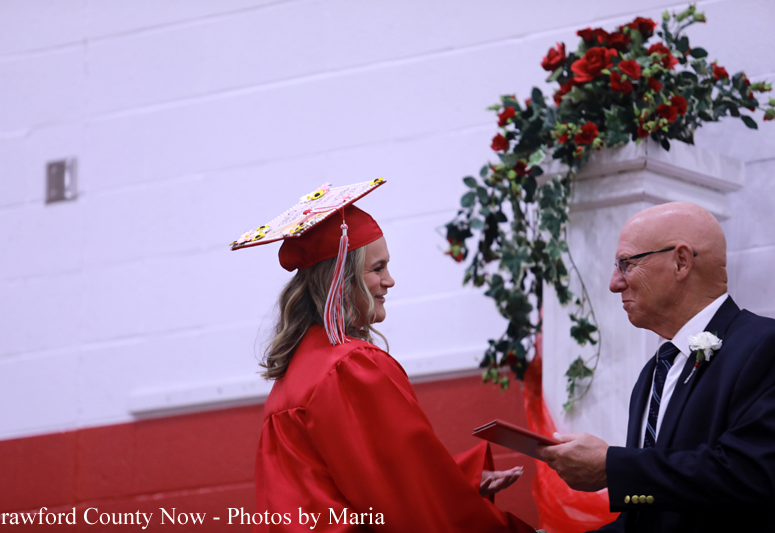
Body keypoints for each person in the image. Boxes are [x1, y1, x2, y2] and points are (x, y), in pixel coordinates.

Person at [234, 181, 537, 532]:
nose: (389, 281)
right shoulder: (349, 367)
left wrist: (459, 482)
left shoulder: (298, 370)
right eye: (377, 269)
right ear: (340, 279)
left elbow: (358, 481)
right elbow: (406, 504)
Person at [537, 201, 775, 532]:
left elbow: (752, 475)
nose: (614, 283)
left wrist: (612, 467)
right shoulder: (653, 373)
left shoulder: (764, 345)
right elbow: (645, 519)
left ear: (681, 262)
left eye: (626, 264)